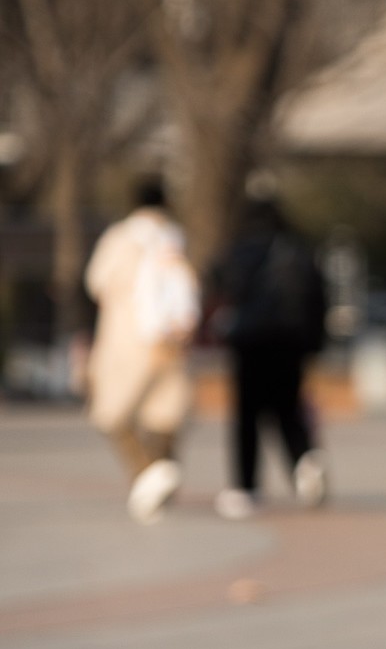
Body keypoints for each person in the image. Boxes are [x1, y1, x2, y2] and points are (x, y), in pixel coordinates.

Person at [84, 176, 200, 524]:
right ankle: (161, 471)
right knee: (166, 412)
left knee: (112, 413)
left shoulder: (120, 238)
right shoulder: (176, 238)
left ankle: (148, 472)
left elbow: (97, 283)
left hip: (128, 341)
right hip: (173, 341)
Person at [210, 195, 328, 519]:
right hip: (292, 344)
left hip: (249, 343)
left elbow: (219, 282)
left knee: (247, 417)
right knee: (289, 410)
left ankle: (245, 488)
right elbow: (319, 299)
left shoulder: (240, 249)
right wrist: (315, 345)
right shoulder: (300, 250)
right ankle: (306, 463)